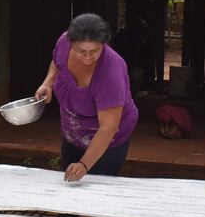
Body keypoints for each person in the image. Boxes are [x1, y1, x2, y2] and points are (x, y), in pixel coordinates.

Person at [35, 13, 139, 182]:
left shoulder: (111, 73)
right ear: (71, 42)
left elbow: (108, 128)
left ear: (103, 44)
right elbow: (57, 61)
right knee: (68, 183)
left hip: (108, 140)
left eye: (94, 51)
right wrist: (47, 83)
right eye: (81, 51)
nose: (88, 57)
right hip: (73, 131)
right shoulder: (63, 42)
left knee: (97, 189)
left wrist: (83, 165)